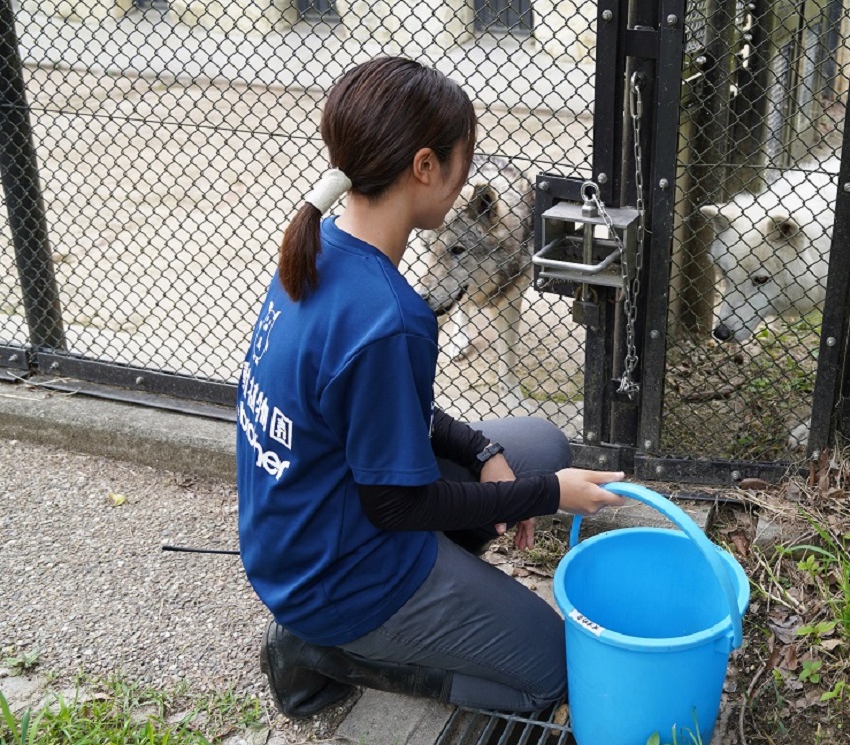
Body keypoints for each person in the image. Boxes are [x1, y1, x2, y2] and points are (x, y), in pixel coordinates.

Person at [235, 55, 625, 719]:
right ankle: (327, 650)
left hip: (304, 524)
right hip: (337, 572)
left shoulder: (317, 246)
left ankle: (438, 588)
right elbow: (395, 505)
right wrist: (546, 496)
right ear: (424, 167)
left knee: (536, 444)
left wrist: (479, 453)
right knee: (556, 673)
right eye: (461, 163)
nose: (465, 178)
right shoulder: (391, 318)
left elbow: (380, 408)